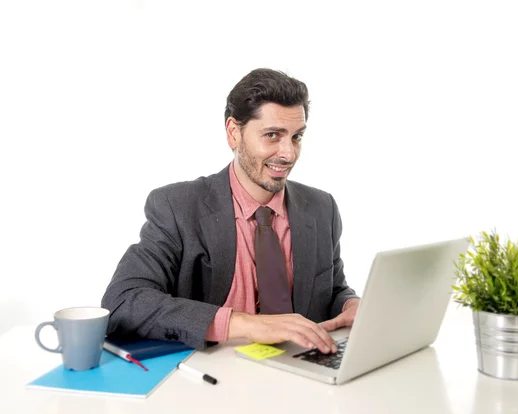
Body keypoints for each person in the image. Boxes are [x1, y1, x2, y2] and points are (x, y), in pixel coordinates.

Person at [101, 68, 359, 354]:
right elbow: (124, 300)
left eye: (297, 137)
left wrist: (350, 304)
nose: (289, 153)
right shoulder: (178, 207)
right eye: (273, 135)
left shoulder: (322, 208)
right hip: (215, 378)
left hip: (302, 372)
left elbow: (331, 290)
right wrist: (246, 324)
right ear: (234, 133)